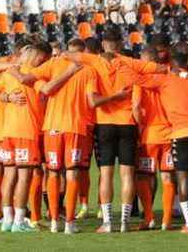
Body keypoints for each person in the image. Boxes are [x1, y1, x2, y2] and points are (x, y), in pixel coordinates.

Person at [61, 29, 166, 233]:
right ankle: (125, 222)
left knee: (106, 174)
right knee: (127, 174)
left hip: (105, 124)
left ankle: (108, 222)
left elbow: (67, 55)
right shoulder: (129, 62)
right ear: (120, 43)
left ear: (103, 43)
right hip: (128, 123)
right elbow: (160, 68)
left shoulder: (94, 63)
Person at [8, 40, 106, 234]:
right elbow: (92, 101)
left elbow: (26, 78)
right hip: (75, 128)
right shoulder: (90, 70)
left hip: (51, 127)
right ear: (83, 54)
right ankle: (69, 222)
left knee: (51, 173)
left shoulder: (53, 64)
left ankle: (53, 221)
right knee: (72, 173)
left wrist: (13, 71)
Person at [132, 52, 188, 233]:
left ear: (171, 64)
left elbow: (138, 81)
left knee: (181, 176)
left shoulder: (166, 80)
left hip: (179, 132)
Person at [0, 41, 55, 233]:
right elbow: (48, 90)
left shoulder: (8, 74)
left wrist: (7, 97)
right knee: (24, 177)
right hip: (26, 132)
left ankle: (7, 221)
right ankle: (19, 222)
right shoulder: (34, 76)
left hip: (7, 132)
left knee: (9, 174)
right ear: (37, 57)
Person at [132, 47, 175, 231]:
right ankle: (166, 220)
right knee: (167, 176)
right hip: (169, 134)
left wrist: (140, 126)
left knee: (144, 176)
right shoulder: (168, 79)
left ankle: (149, 217)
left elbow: (135, 106)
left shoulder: (140, 81)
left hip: (149, 135)